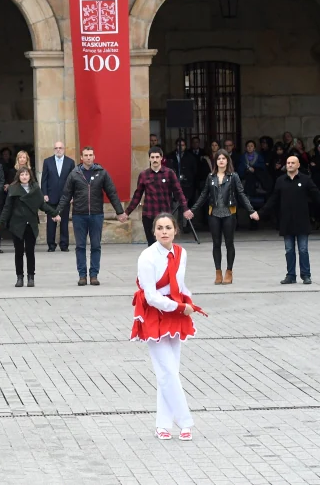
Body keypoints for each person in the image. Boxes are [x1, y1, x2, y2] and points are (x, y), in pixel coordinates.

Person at [130, 212, 207, 442]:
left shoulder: (181, 254)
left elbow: (181, 285)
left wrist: (189, 302)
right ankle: (185, 421)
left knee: (170, 372)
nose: (164, 232)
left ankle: (163, 425)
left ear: (175, 230)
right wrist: (178, 307)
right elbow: (151, 296)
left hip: (176, 313)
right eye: (160, 228)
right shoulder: (147, 257)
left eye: (168, 228)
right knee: (168, 372)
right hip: (155, 314)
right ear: (154, 232)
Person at [56, 146, 126, 286]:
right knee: (80, 247)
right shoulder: (74, 174)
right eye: (86, 155)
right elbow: (66, 195)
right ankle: (82, 275)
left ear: (94, 157)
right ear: (81, 158)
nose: (88, 157)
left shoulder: (102, 173)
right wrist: (57, 211)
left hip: (96, 215)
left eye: (91, 155)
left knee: (96, 246)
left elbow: (111, 192)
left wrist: (119, 211)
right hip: (79, 215)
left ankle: (94, 275)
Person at [189, 150, 258, 285]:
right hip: (214, 213)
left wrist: (251, 210)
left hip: (229, 213)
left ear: (227, 161)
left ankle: (229, 272)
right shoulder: (211, 177)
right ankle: (218, 272)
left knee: (229, 243)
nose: (221, 160)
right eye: (219, 158)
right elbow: (204, 195)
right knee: (216, 243)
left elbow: (241, 194)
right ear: (216, 161)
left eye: (223, 158)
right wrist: (193, 210)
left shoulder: (233, 176)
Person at [256, 155, 320, 284]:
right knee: (289, 249)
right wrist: (261, 213)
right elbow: (273, 199)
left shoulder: (306, 179)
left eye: (292, 163)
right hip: (286, 220)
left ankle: (306, 275)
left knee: (303, 249)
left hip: (302, 220)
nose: (290, 165)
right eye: (288, 163)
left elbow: (316, 196)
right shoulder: (280, 180)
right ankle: (291, 275)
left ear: (297, 165)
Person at [0, 167, 59, 288]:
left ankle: (31, 277)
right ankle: (19, 277)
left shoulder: (35, 189)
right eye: (22, 175)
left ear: (30, 176)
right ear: (18, 177)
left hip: (31, 224)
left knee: (30, 252)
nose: (24, 177)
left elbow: (42, 205)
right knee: (18, 252)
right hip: (17, 224)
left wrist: (54, 213)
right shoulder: (13, 189)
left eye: (26, 174)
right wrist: (0, 223)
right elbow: (7, 208)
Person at [122, 147, 193, 246]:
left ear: (161, 158)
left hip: (164, 215)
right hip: (148, 215)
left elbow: (178, 192)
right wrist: (127, 212)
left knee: (165, 243)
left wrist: (185, 208)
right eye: (152, 157)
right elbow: (137, 195)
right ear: (149, 159)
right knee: (151, 245)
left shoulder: (169, 173)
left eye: (157, 157)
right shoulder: (143, 175)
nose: (155, 159)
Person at [40, 141, 74, 252]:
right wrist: (44, 193)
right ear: (53, 149)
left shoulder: (70, 162)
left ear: (64, 149)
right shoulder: (47, 162)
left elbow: (73, 181)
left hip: (65, 197)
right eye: (56, 148)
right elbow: (44, 179)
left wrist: (72, 195)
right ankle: (51, 245)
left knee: (64, 221)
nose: (58, 150)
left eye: (60, 148)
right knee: (51, 222)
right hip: (51, 196)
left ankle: (64, 245)